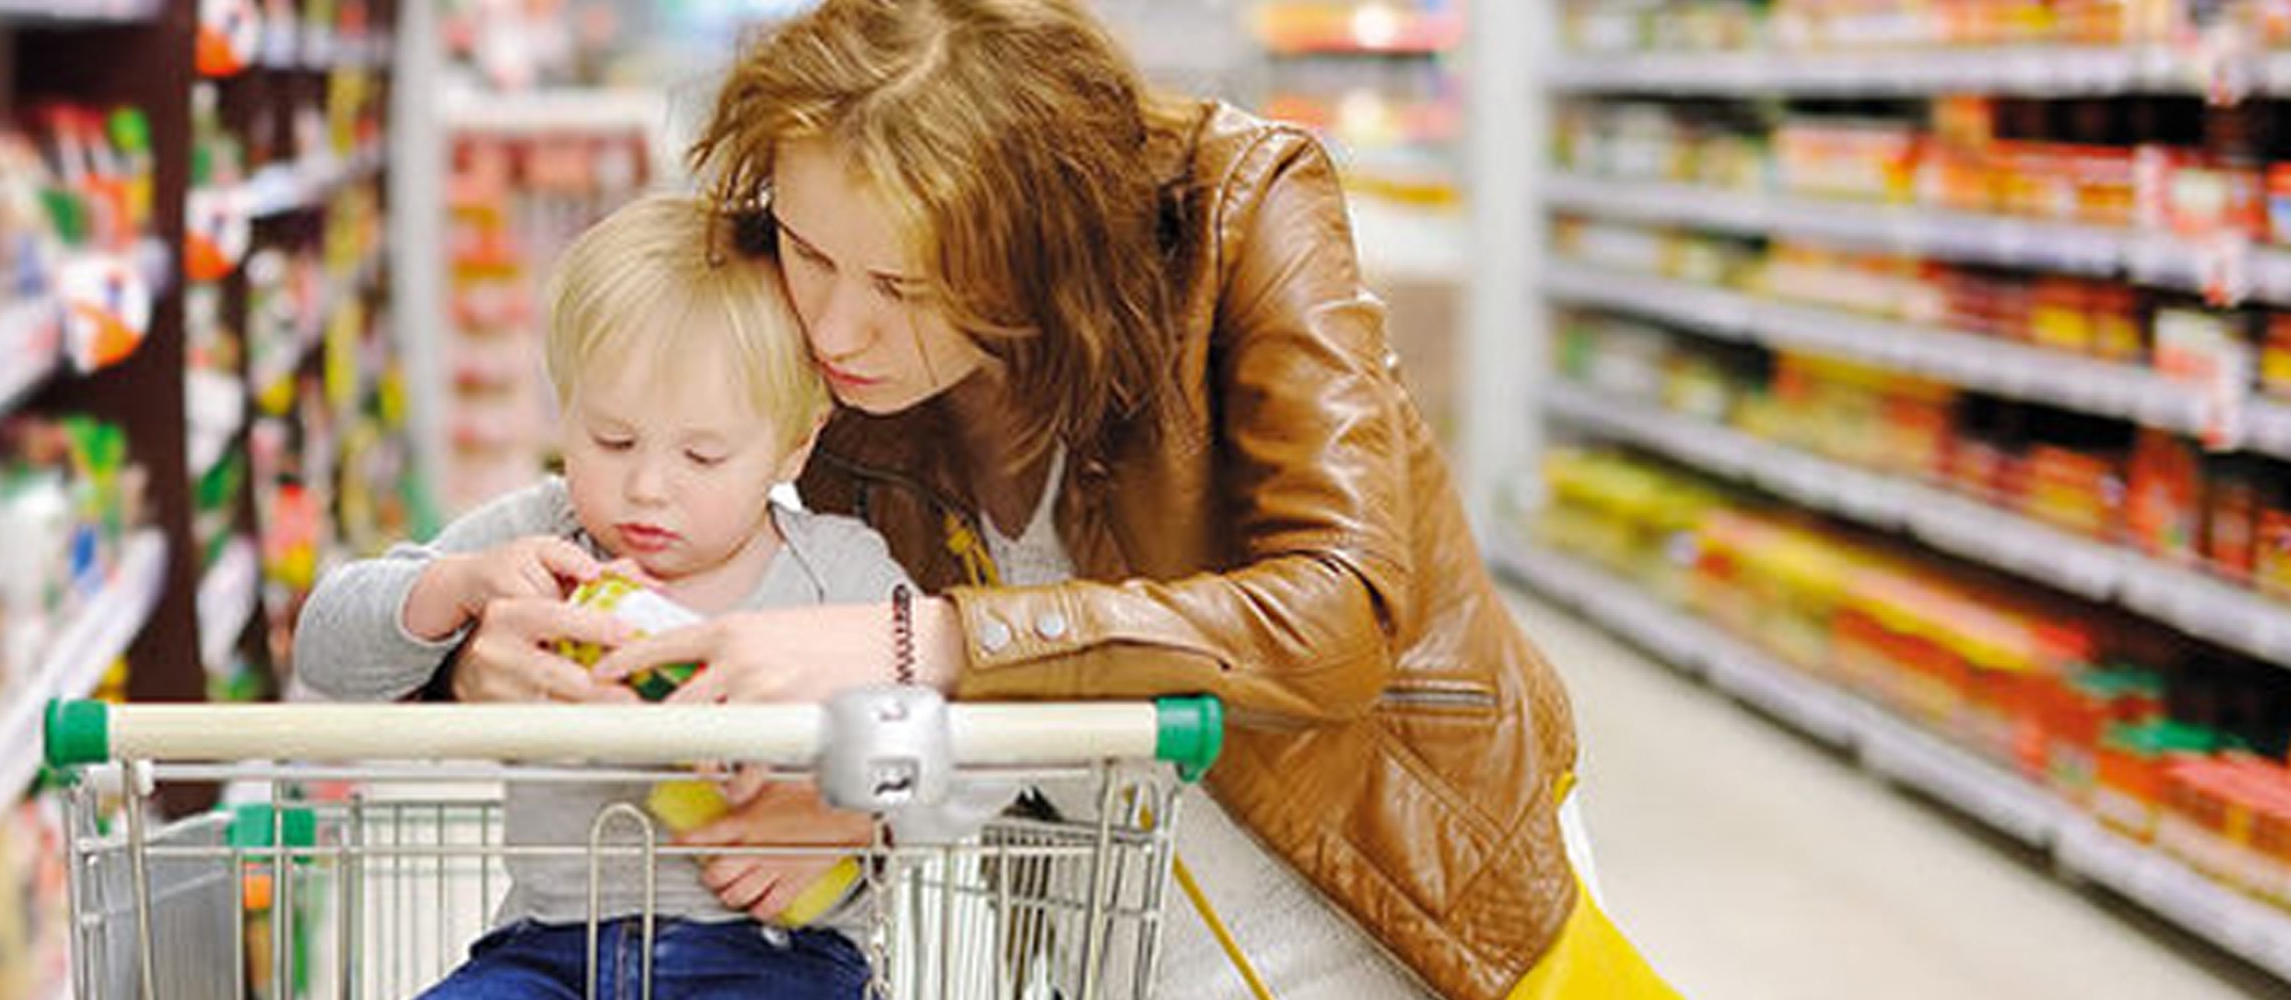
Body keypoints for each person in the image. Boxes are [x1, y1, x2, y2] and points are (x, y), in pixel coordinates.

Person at [300, 0, 1680, 997]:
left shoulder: (1244, 216)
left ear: (1036, 257)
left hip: (1391, 872)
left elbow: (1345, 612)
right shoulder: (807, 367)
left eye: (901, 286)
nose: (832, 325)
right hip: (1109, 910)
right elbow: (957, 743)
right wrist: (858, 799)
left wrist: (925, 645)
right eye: (804, 245)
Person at [295, 193, 910, 998]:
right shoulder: (540, 540)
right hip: (546, 951)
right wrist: (453, 587)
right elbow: (324, 649)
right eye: (610, 439)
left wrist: (855, 811)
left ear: (796, 444)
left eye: (702, 455)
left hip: (770, 955)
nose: (648, 487)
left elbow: (956, 743)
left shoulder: (843, 578)